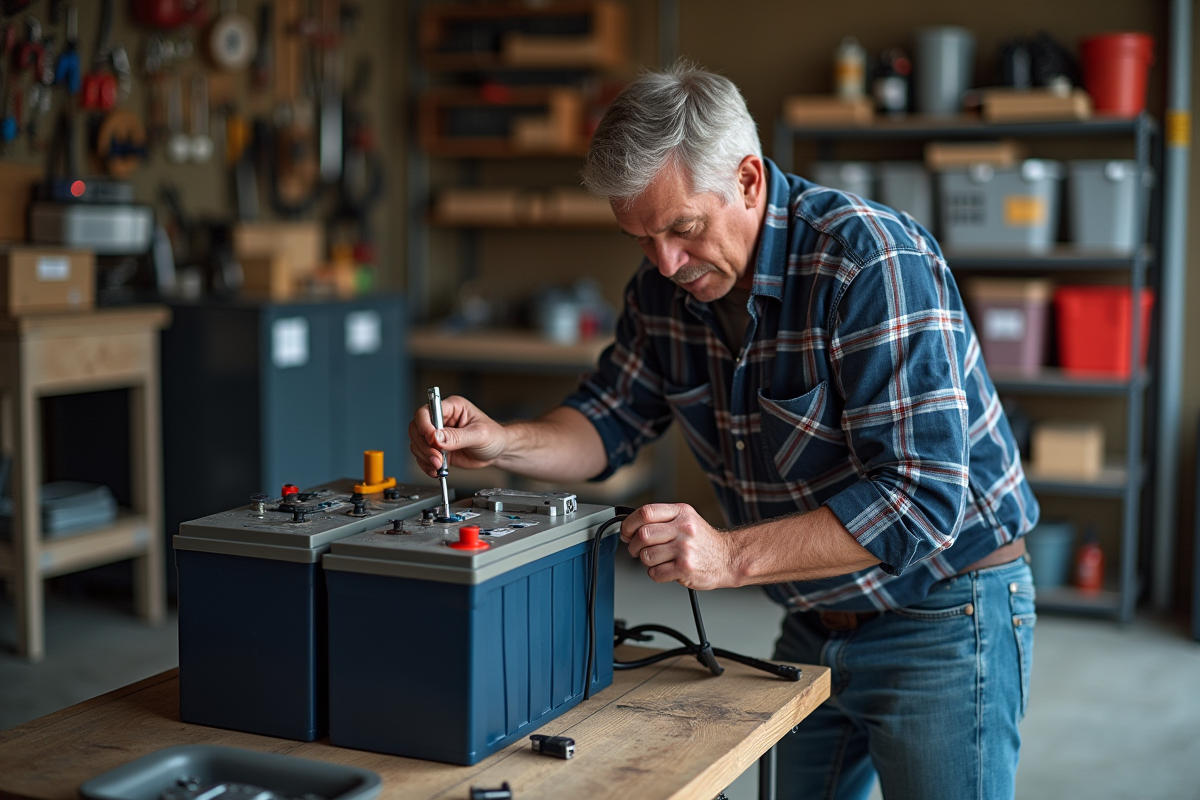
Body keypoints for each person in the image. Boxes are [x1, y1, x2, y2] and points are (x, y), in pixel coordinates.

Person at [409, 61, 1038, 800]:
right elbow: (608, 422)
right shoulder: (661, 292)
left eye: (682, 229)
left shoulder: (866, 262)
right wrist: (504, 441)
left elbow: (922, 501)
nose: (666, 263)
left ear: (746, 179)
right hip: (813, 610)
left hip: (942, 608)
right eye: (641, 238)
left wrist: (726, 557)